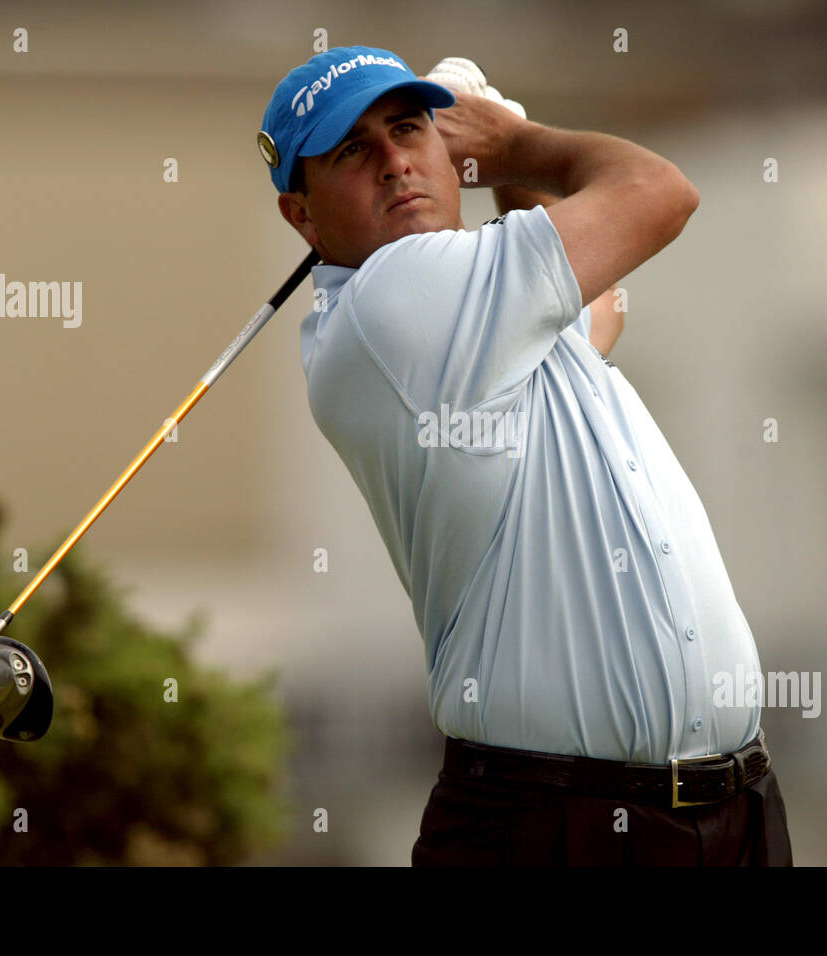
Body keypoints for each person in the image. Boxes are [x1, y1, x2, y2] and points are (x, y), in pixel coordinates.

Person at [260, 45, 793, 866]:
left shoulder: (481, 317)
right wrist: (517, 143)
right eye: (353, 151)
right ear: (303, 216)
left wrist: (504, 170)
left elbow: (594, 301)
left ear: (447, 152)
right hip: (554, 825)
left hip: (727, 814)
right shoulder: (396, 300)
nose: (396, 161)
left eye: (409, 130)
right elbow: (658, 193)